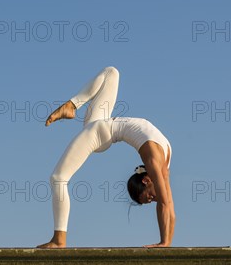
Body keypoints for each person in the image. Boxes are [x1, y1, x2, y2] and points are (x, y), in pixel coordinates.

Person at [36, 66, 175, 249]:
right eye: (148, 197)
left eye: (148, 199)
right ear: (146, 179)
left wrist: (166, 243)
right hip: (99, 130)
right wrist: (164, 242)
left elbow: (170, 208)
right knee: (112, 73)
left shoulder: (164, 165)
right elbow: (165, 204)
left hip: (105, 129)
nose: (152, 200)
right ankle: (59, 239)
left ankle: (72, 105)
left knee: (111, 73)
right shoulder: (154, 160)